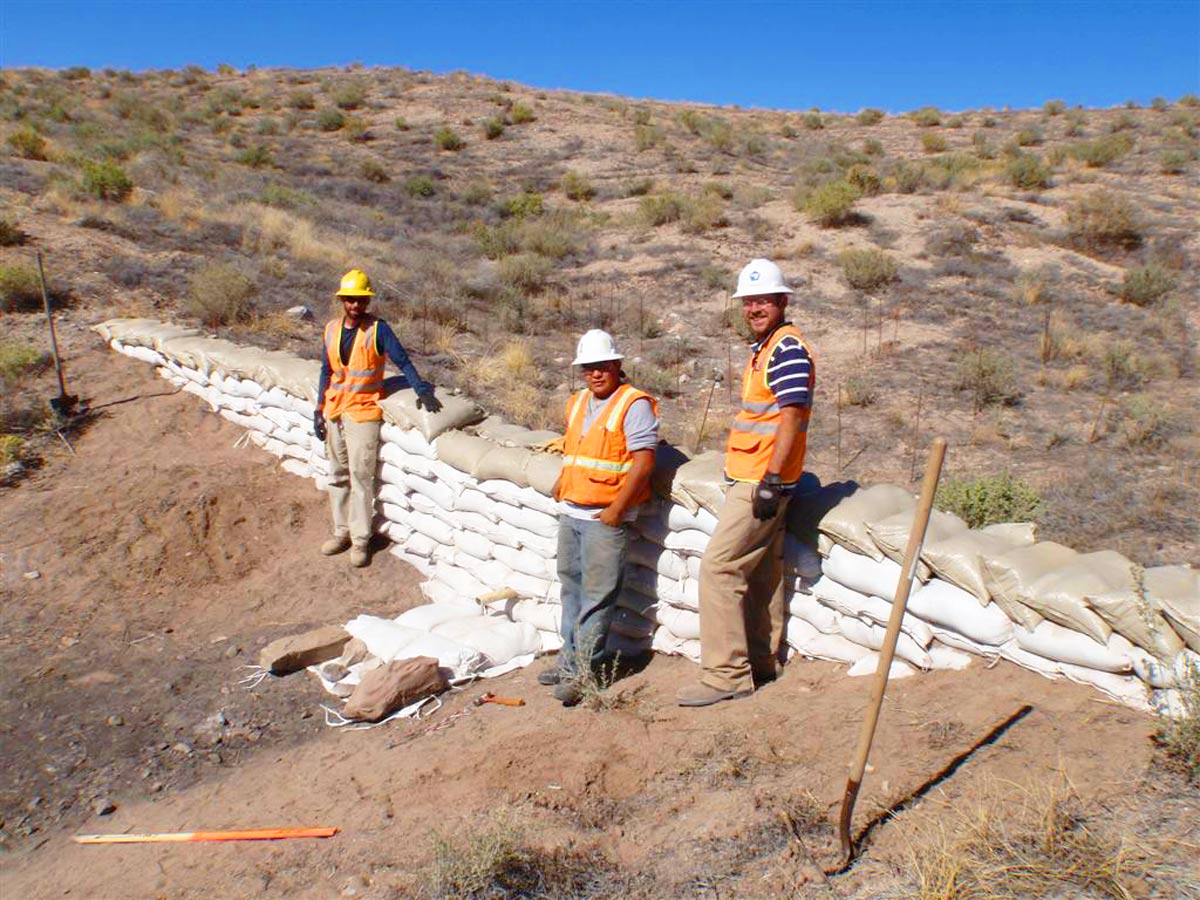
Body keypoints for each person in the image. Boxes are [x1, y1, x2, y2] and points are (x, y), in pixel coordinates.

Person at [677, 259, 815, 707]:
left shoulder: (786, 348)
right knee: (761, 573)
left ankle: (725, 675)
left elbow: (791, 416)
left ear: (782, 301)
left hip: (762, 480)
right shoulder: (768, 347)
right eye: (748, 301)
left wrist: (773, 478)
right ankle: (760, 660)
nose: (754, 308)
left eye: (762, 300)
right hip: (756, 475)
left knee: (719, 568)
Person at [542, 329, 658, 706]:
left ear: (617, 364)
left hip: (604, 518)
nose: (595, 374)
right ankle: (567, 661)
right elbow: (575, 449)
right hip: (572, 511)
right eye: (588, 368)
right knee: (570, 588)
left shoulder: (633, 404)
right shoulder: (577, 403)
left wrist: (617, 510)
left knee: (596, 597)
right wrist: (563, 480)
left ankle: (584, 672)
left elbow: (644, 462)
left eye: (602, 366)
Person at [313, 268, 440, 568]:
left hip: (363, 412)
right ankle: (340, 532)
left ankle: (359, 540)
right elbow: (325, 371)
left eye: (361, 300)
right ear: (343, 301)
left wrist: (421, 388)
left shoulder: (378, 330)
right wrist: (319, 409)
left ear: (367, 302)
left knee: (360, 476)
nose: (356, 305)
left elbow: (402, 360)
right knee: (337, 475)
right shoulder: (331, 329)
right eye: (351, 300)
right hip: (335, 410)